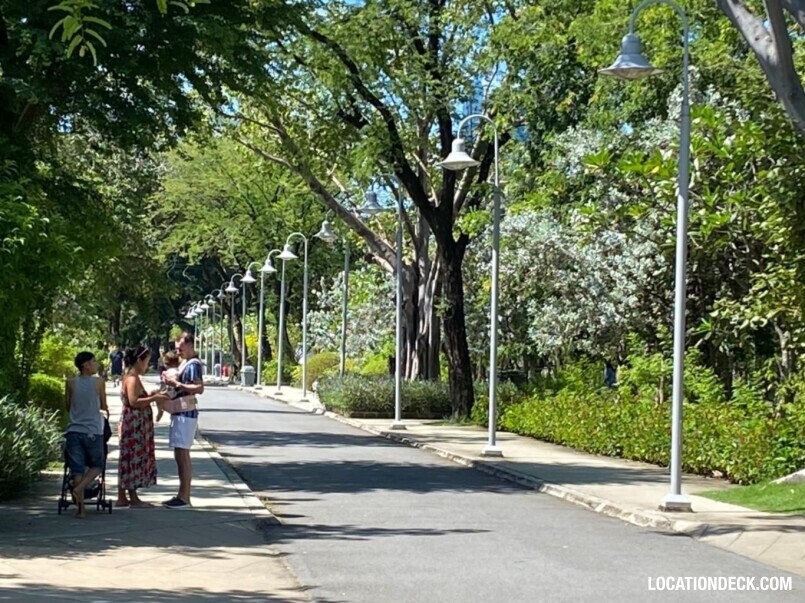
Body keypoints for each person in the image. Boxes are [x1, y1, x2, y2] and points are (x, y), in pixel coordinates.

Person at [116, 345, 168, 508]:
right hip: (135, 424)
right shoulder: (132, 378)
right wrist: (154, 398)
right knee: (133, 457)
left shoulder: (131, 376)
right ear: (139, 360)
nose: (147, 365)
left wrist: (151, 394)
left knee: (128, 457)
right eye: (146, 361)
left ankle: (122, 496)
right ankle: (133, 498)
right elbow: (134, 401)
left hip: (135, 422)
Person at [161, 332, 204, 509]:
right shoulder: (185, 363)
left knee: (183, 454)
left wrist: (177, 384)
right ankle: (181, 494)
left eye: (181, 348)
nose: (178, 352)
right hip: (180, 412)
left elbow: (199, 388)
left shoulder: (193, 364)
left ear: (191, 345)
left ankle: (185, 496)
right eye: (177, 349)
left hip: (186, 413)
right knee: (179, 453)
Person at [65, 351, 109, 518]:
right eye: (94, 361)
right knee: (97, 465)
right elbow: (103, 405)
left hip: (74, 430)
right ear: (86, 365)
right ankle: (80, 488)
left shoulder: (70, 382)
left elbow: (67, 406)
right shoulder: (99, 382)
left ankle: (81, 509)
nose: (96, 364)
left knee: (77, 469)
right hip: (93, 431)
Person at [156, 350, 181, 423]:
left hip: (171, 391)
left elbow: (175, 378)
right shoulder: (175, 370)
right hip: (170, 390)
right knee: (156, 394)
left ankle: (160, 410)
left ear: (167, 364)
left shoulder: (173, 371)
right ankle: (160, 409)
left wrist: (168, 379)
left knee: (156, 396)